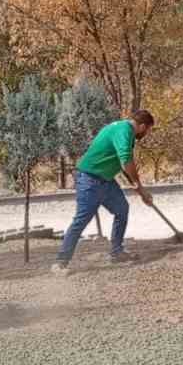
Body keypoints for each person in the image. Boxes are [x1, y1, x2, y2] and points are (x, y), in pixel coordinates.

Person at [52, 110, 155, 274]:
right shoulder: (125, 131)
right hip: (89, 180)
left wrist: (138, 189)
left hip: (105, 180)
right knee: (81, 220)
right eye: (148, 130)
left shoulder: (121, 129)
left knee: (122, 209)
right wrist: (139, 186)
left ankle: (117, 252)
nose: (146, 134)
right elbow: (126, 159)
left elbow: (122, 164)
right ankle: (60, 263)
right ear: (142, 126)